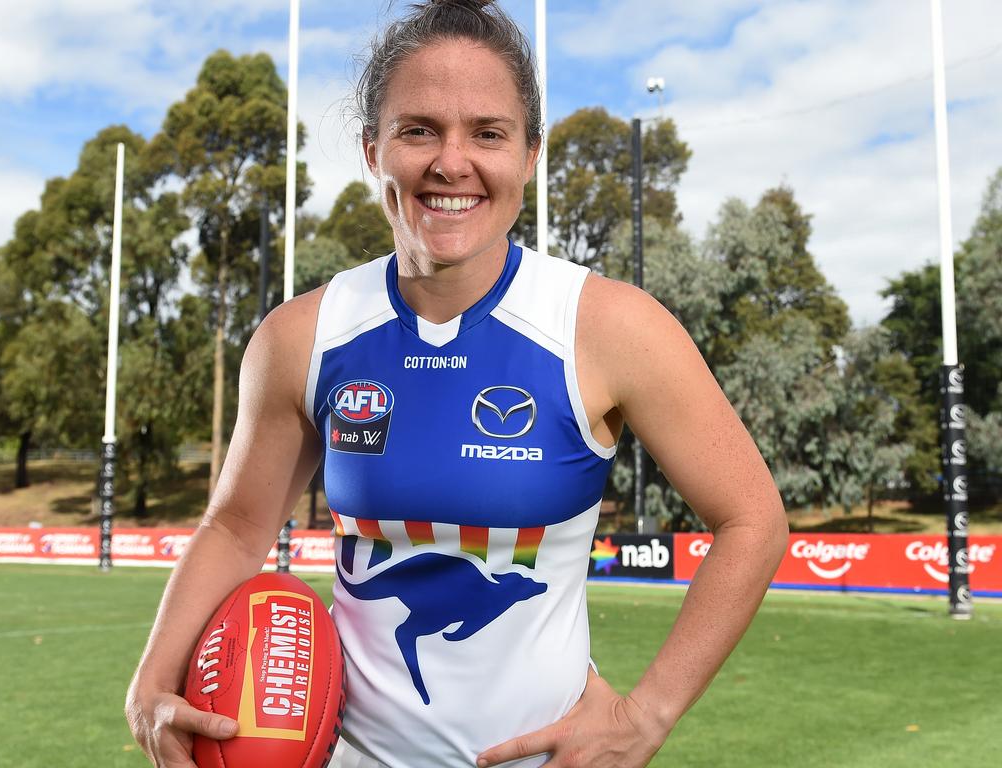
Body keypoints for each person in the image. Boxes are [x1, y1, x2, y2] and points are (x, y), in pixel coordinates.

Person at [125, 1, 788, 766]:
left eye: (488, 132)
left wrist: (648, 714)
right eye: (418, 130)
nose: (451, 163)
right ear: (372, 147)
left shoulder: (607, 326)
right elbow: (239, 529)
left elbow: (752, 521)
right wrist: (150, 681)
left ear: (531, 153)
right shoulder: (302, 337)